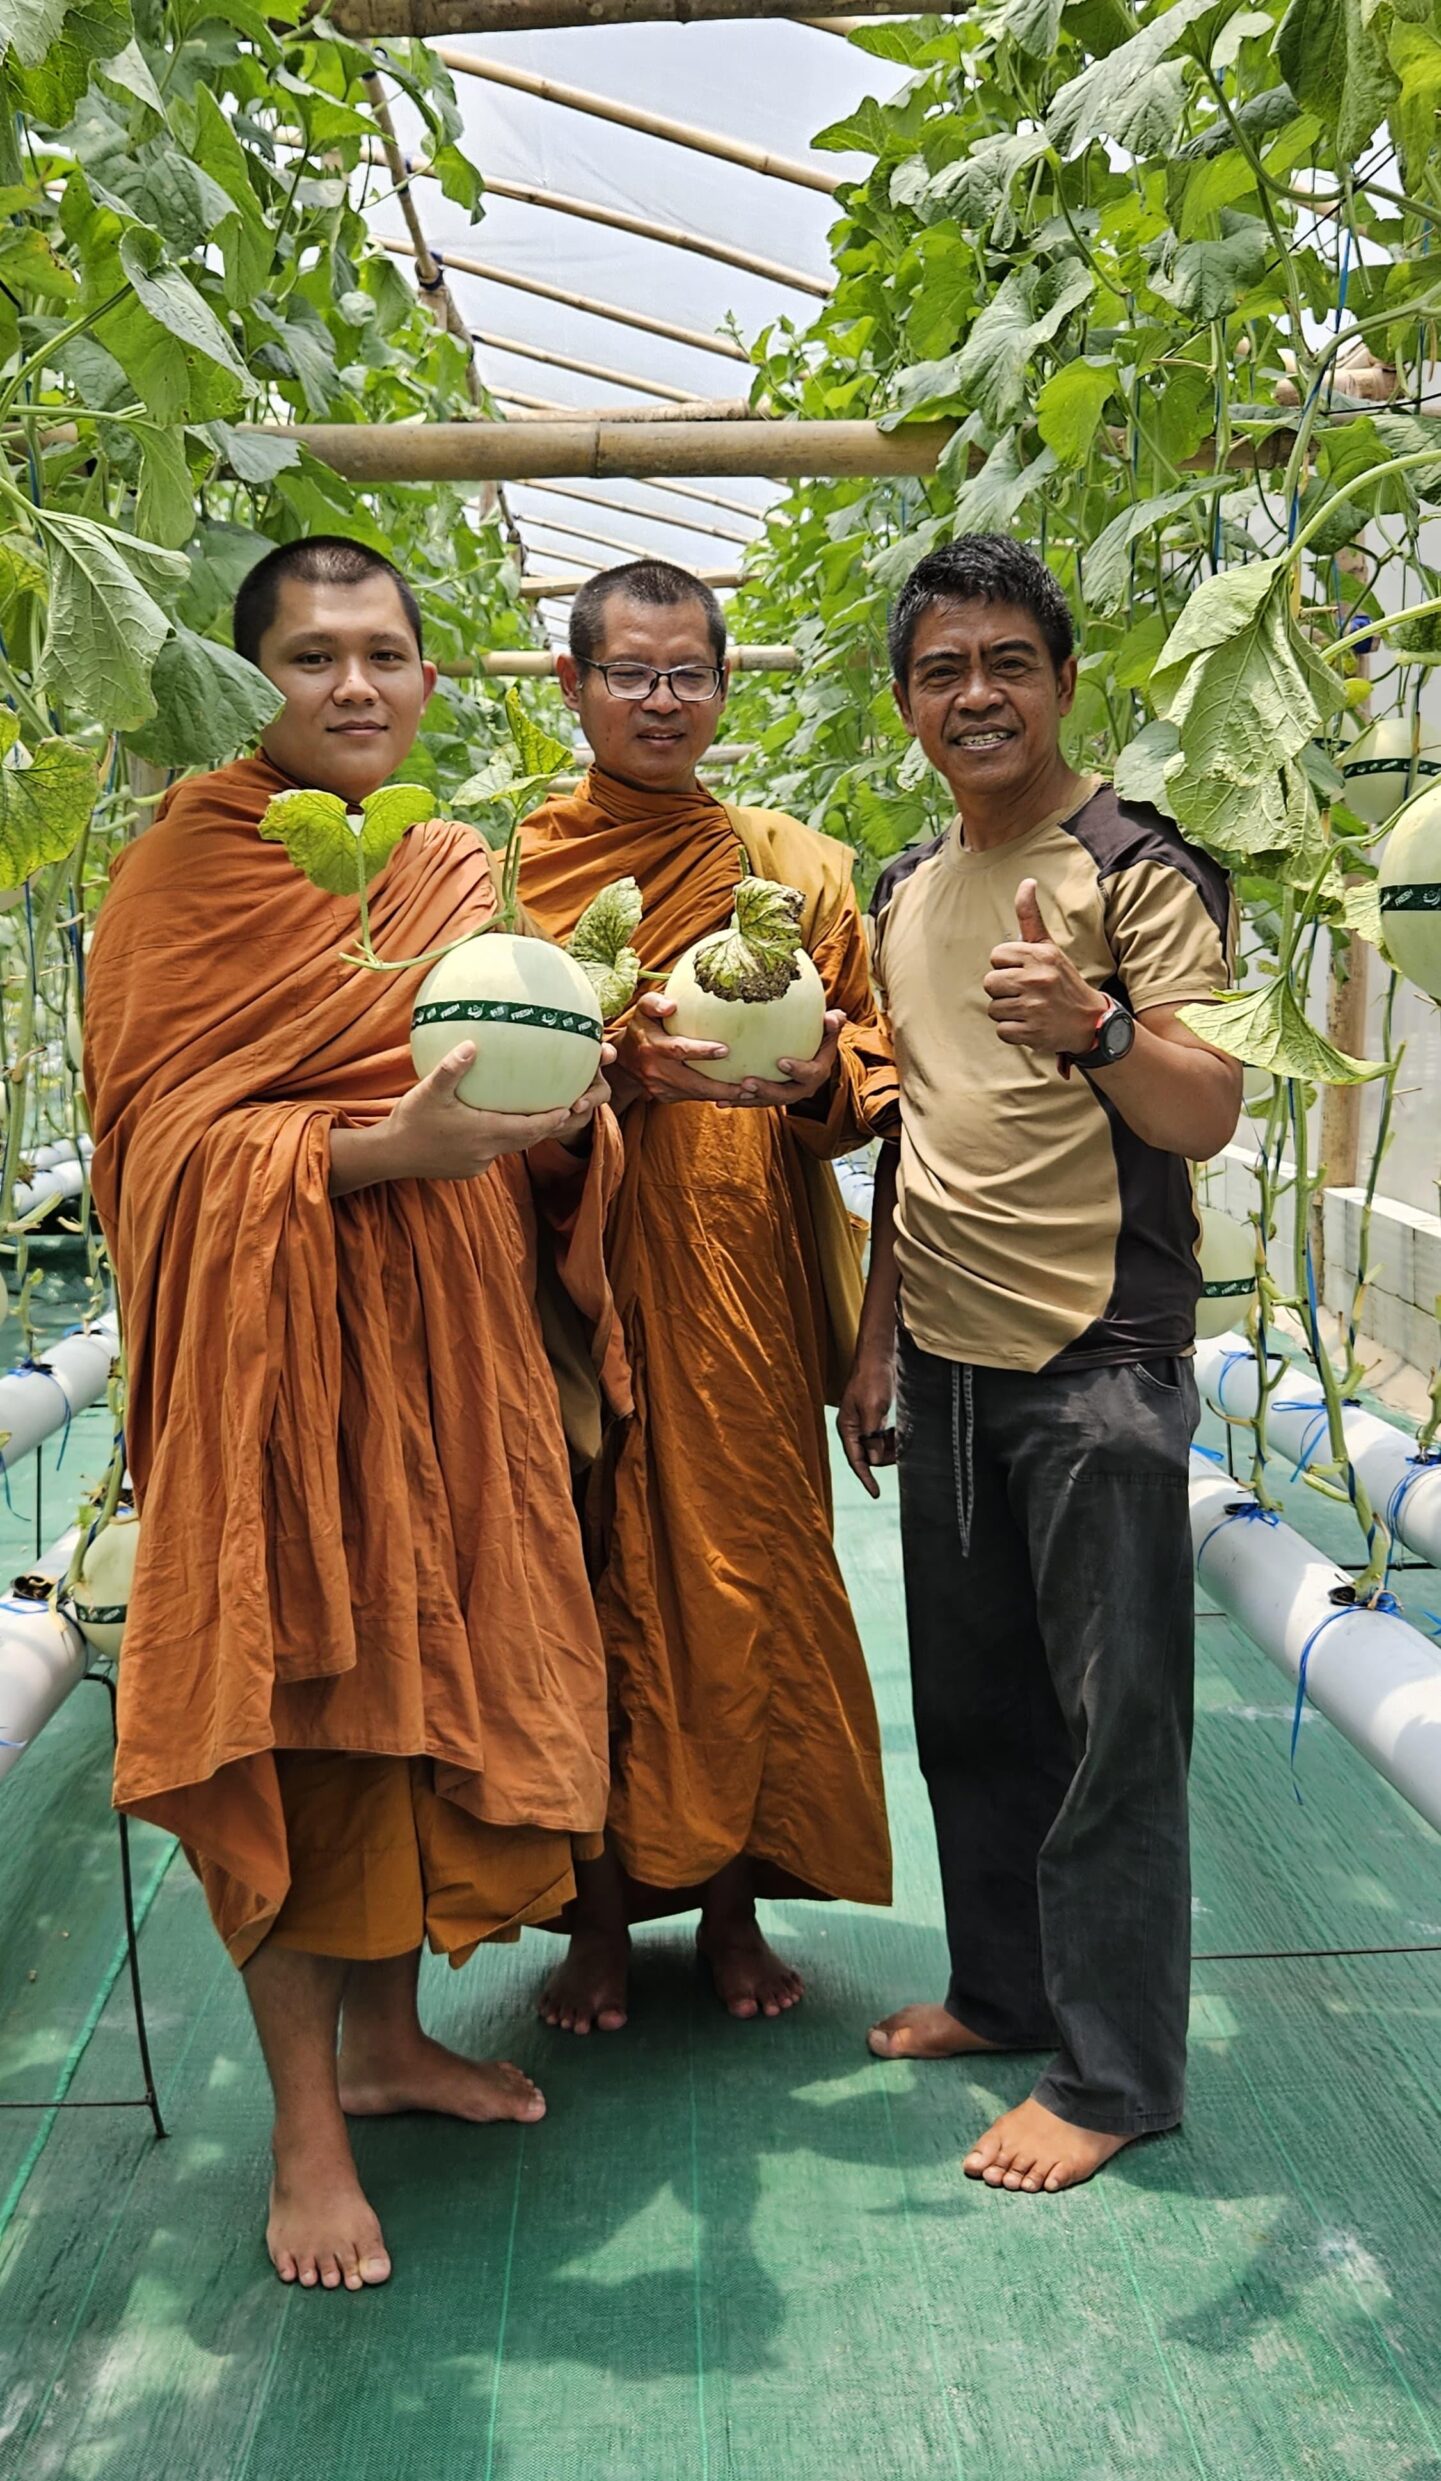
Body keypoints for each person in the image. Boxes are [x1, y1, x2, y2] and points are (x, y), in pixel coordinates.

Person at [85, 536, 626, 2292]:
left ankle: (392, 2054)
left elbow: (502, 1073)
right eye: (312, 658)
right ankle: (304, 2145)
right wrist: (372, 1153)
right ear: (256, 684)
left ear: (428, 675)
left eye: (383, 654)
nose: (354, 686)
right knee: (299, 1701)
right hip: (273, 1356)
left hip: (448, 1344)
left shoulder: (452, 860)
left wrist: (572, 1110)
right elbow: (155, 1151)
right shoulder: (187, 869)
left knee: (417, 1681)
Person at [839, 534, 1240, 2195]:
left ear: (1063, 682)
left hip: (1098, 1357)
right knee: (974, 1712)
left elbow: (1208, 1105)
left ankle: (1114, 2077)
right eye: (942, 670)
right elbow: (909, 1141)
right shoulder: (903, 891)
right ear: (907, 704)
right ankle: (1001, 1994)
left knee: (1109, 1733)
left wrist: (1100, 1027)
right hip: (939, 1359)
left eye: (1008, 662)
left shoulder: (1136, 868)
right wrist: (871, 1341)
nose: (976, 694)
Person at [518, 559, 895, 2033]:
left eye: (688, 675)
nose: (661, 701)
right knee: (583, 1584)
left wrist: (818, 1085)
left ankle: (730, 1909)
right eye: (631, 674)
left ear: (723, 689)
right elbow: (472, 1068)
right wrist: (596, 1081)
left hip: (740, 1282)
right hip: (568, 1283)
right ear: (574, 686)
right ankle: (597, 1922)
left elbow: (870, 1066)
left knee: (738, 1588)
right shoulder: (523, 867)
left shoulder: (790, 867)